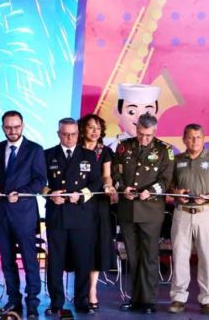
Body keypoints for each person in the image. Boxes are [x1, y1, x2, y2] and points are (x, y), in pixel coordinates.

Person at [0, 111, 45, 318]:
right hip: (1, 213)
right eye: (8, 127)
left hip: (24, 214)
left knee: (29, 261)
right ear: (2, 128)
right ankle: (13, 301)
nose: (13, 131)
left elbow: (40, 181)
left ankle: (33, 303)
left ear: (23, 126)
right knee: (7, 261)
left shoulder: (35, 149)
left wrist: (21, 193)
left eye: (16, 126)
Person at [112, 113, 172, 314]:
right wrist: (122, 188)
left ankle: (149, 300)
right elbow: (115, 173)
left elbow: (166, 179)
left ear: (155, 131)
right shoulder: (124, 146)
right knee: (133, 257)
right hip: (128, 210)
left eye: (148, 135)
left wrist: (151, 191)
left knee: (149, 257)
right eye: (140, 133)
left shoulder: (164, 150)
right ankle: (135, 298)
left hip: (150, 211)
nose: (143, 138)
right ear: (136, 128)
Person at [41, 119, 101, 315]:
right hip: (57, 215)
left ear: (78, 134)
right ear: (58, 134)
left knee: (83, 261)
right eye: (65, 134)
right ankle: (56, 302)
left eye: (73, 134)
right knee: (55, 262)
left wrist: (81, 195)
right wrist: (50, 193)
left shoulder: (89, 155)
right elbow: (39, 182)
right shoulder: (48, 154)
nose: (69, 138)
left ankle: (82, 301)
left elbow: (96, 183)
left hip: (81, 214)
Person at [168, 124, 209, 316]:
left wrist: (208, 197)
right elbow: (169, 186)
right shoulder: (176, 160)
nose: (194, 141)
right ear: (184, 139)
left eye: (198, 137)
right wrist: (176, 192)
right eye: (190, 137)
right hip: (182, 213)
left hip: (206, 213)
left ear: (204, 139)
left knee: (207, 257)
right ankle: (178, 298)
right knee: (179, 256)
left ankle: (207, 299)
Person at [77, 114, 117, 313]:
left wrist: (108, 186)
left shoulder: (104, 151)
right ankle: (79, 290)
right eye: (91, 127)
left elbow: (106, 176)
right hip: (76, 202)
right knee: (79, 246)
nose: (95, 131)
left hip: (98, 203)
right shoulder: (74, 149)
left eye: (98, 128)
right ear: (82, 129)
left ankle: (92, 291)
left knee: (96, 246)